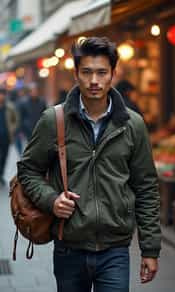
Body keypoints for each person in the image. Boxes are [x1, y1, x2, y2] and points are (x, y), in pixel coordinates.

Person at [17, 37, 161, 292]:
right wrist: (51, 200)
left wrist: (150, 248)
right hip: (68, 247)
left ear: (113, 74)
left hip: (115, 249)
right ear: (76, 74)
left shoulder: (132, 125)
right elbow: (28, 170)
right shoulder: (54, 120)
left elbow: (146, 187)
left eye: (102, 72)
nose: (94, 80)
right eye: (87, 72)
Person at [0, 88, 18, 186]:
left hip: (6, 137)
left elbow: (16, 119)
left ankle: (1, 174)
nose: (1, 96)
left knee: (4, 157)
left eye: (3, 94)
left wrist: (12, 128)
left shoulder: (10, 107)